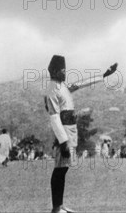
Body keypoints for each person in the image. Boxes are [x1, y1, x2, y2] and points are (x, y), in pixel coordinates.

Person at [44, 55, 78, 213]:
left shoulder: (61, 85)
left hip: (70, 128)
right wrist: (63, 141)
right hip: (63, 130)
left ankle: (61, 205)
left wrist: (103, 76)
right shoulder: (52, 89)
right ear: (55, 71)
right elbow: (54, 116)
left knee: (64, 168)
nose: (65, 72)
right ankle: (56, 208)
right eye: (63, 70)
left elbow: (80, 84)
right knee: (59, 168)